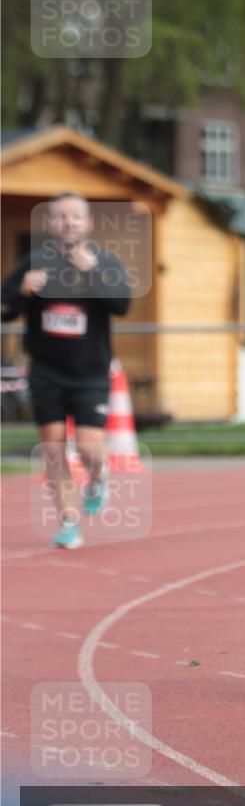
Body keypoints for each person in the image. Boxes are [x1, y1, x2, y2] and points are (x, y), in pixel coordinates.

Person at [1, 192, 131, 548]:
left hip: (90, 372)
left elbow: (122, 305)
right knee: (54, 448)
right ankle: (69, 522)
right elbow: (5, 310)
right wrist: (21, 292)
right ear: (50, 223)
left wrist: (92, 273)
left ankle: (98, 477)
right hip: (46, 372)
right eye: (60, 217)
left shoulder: (105, 263)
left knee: (89, 447)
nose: (68, 223)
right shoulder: (34, 262)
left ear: (87, 223)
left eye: (75, 216)